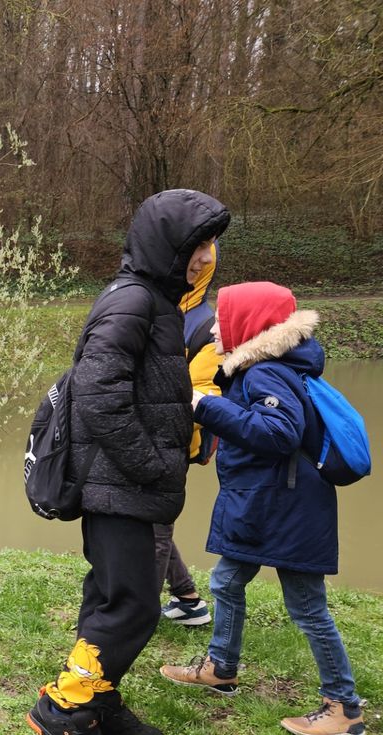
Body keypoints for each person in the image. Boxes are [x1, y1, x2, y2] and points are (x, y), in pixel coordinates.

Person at [26, 189, 230, 735]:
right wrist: (148, 463)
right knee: (135, 605)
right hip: (120, 484)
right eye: (195, 245)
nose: (204, 257)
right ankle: (63, 706)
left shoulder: (157, 302)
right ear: (167, 245)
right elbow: (97, 393)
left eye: (209, 246)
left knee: (112, 594)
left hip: (130, 485)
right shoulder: (133, 302)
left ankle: (100, 695)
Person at [160, 282, 365, 735]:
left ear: (246, 324)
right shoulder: (264, 369)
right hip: (266, 503)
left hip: (287, 508)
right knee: (226, 581)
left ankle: (344, 706)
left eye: (222, 319)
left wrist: (205, 407)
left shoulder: (266, 373)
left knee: (308, 607)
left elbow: (279, 433)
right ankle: (221, 668)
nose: (213, 327)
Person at [158, 240, 222, 627]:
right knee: (147, 524)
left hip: (173, 444)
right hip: (140, 436)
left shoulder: (205, 327)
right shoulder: (154, 309)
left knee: (153, 526)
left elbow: (199, 402)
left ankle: (134, 617)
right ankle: (188, 599)